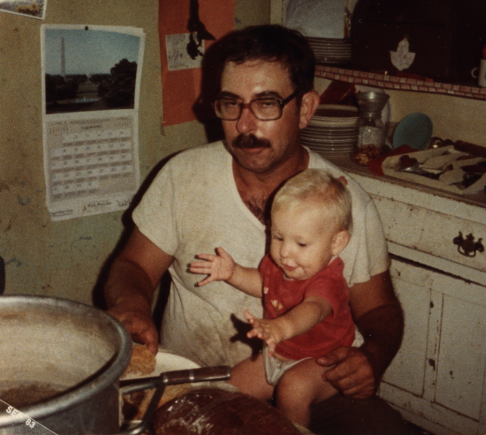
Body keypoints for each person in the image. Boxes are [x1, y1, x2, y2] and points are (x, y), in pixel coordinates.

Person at [104, 24, 407, 435]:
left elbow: (380, 311)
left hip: (311, 384)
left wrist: (372, 357)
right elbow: (133, 267)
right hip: (199, 386)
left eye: (266, 104)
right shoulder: (183, 176)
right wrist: (132, 305)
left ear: (305, 108)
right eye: (231, 104)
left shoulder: (346, 201)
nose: (245, 124)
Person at [189, 169, 355, 428]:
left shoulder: (328, 281)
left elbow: (313, 309)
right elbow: (263, 284)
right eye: (278, 237)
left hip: (324, 360)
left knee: (293, 389)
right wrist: (232, 273)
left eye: (301, 244)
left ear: (336, 243)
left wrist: (281, 327)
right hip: (279, 353)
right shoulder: (281, 264)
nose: (285, 252)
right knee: (226, 389)